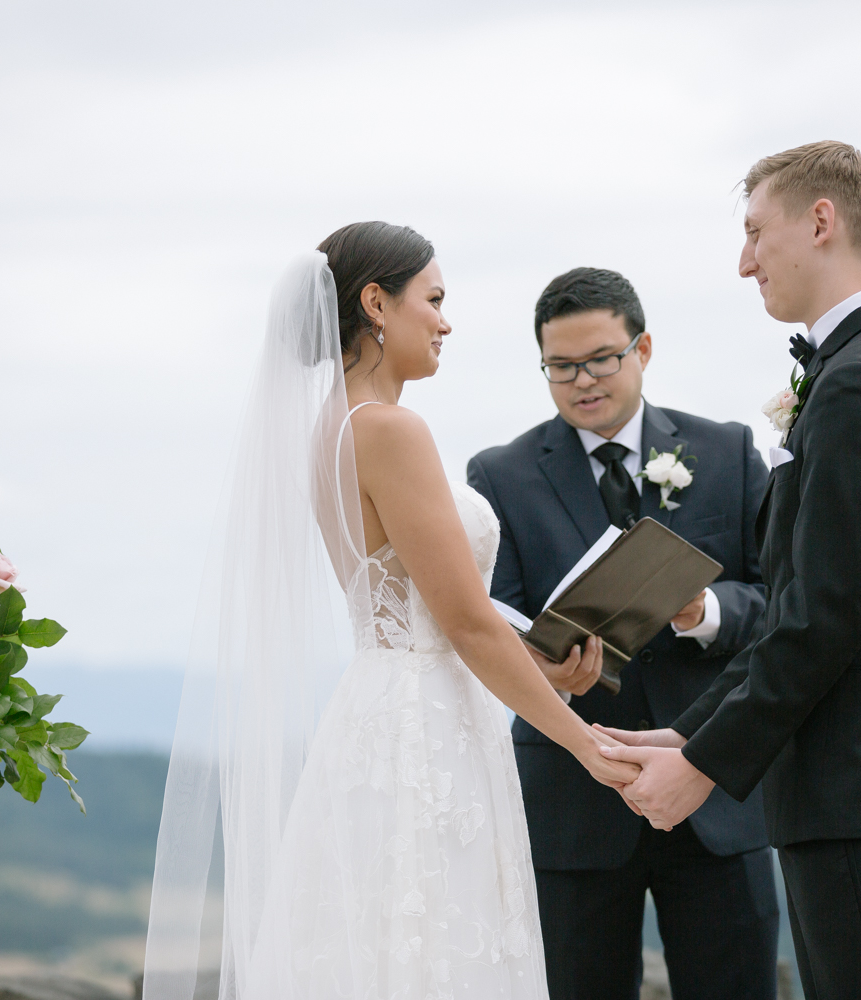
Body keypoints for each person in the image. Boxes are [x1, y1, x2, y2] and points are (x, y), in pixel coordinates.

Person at [143, 222, 639, 1000]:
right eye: (434, 300)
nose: (446, 321)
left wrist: (540, 662)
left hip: (385, 709)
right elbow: (467, 620)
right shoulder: (390, 429)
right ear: (376, 303)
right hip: (425, 728)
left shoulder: (330, 427)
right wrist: (583, 744)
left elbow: (418, 605)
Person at [599, 142, 861, 1000]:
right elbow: (806, 606)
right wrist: (692, 731)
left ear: (822, 221)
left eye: (756, 233)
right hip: (858, 786)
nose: (743, 262)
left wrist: (703, 766)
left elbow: (825, 618)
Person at [467, 268, 779, 1000]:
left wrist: (704, 612)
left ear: (642, 348)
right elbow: (497, 621)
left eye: (601, 358)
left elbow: (781, 605)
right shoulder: (501, 475)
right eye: (561, 366)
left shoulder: (728, 452)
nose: (583, 381)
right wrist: (548, 674)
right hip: (572, 802)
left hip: (714, 790)